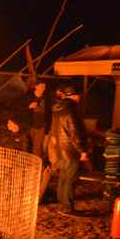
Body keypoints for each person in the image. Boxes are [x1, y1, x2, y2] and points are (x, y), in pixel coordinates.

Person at [46, 84, 89, 214]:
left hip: (59, 148)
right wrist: (82, 151)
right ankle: (68, 207)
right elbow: (74, 133)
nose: (80, 98)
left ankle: (62, 202)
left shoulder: (58, 109)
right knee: (70, 178)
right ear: (75, 96)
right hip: (70, 150)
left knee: (63, 177)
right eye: (79, 95)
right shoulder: (71, 111)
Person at [26, 81, 49, 158]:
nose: (43, 89)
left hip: (41, 127)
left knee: (37, 148)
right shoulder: (28, 96)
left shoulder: (46, 98)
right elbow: (21, 108)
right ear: (36, 86)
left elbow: (48, 112)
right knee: (30, 146)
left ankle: (38, 166)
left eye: (44, 87)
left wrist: (47, 125)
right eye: (41, 86)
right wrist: (28, 107)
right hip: (30, 125)